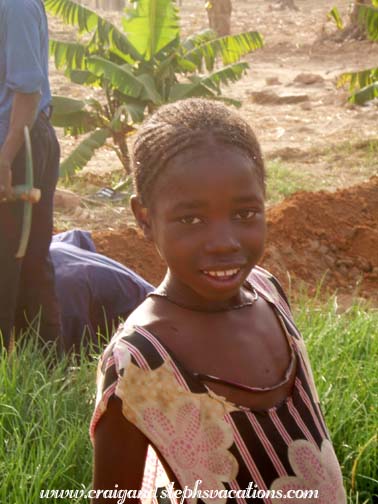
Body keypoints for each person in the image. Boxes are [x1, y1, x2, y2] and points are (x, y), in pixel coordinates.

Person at [90, 99, 346, 503]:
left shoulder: (268, 292)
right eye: (191, 219)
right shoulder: (139, 361)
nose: (225, 243)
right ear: (143, 217)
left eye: (245, 213)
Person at [0, 0, 61, 351]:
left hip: (18, 138)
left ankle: (41, 368)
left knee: (21, 260)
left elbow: (28, 90)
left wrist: (6, 157)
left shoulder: (16, 5)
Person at [50, 230, 154, 355]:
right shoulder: (44, 250)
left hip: (150, 324)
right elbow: (77, 236)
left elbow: (78, 353)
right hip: (145, 296)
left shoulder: (62, 285)